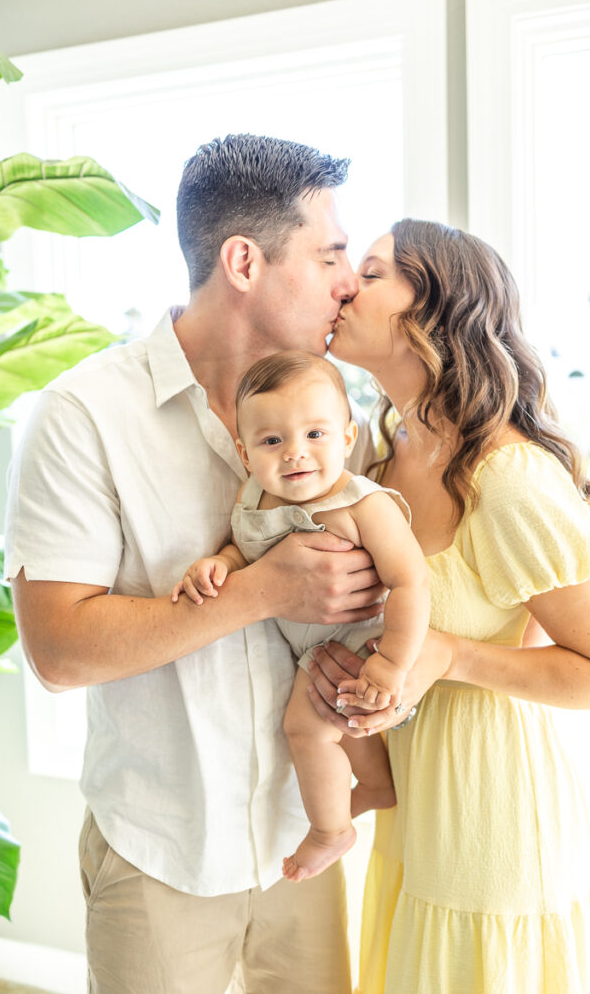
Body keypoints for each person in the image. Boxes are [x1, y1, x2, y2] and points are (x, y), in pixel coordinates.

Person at [3, 134, 386, 994]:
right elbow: (58, 652)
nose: (346, 282)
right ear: (244, 260)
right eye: (328, 255)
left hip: (305, 845)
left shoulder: (336, 407)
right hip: (158, 857)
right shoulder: (82, 416)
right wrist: (261, 590)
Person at [306, 219, 590, 994]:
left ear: (433, 312)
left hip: (496, 820)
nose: (346, 286)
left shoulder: (507, 475)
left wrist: (451, 656)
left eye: (374, 271)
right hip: (416, 812)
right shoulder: (380, 458)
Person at [172, 350, 430, 882]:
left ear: (347, 438)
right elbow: (242, 551)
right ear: (245, 453)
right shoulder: (256, 499)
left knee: (306, 729)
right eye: (273, 441)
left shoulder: (364, 506)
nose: (295, 454)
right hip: (313, 648)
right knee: (344, 725)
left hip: (364, 642)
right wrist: (217, 565)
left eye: (316, 434)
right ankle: (377, 787)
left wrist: (392, 664)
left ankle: (331, 831)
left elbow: (411, 581)